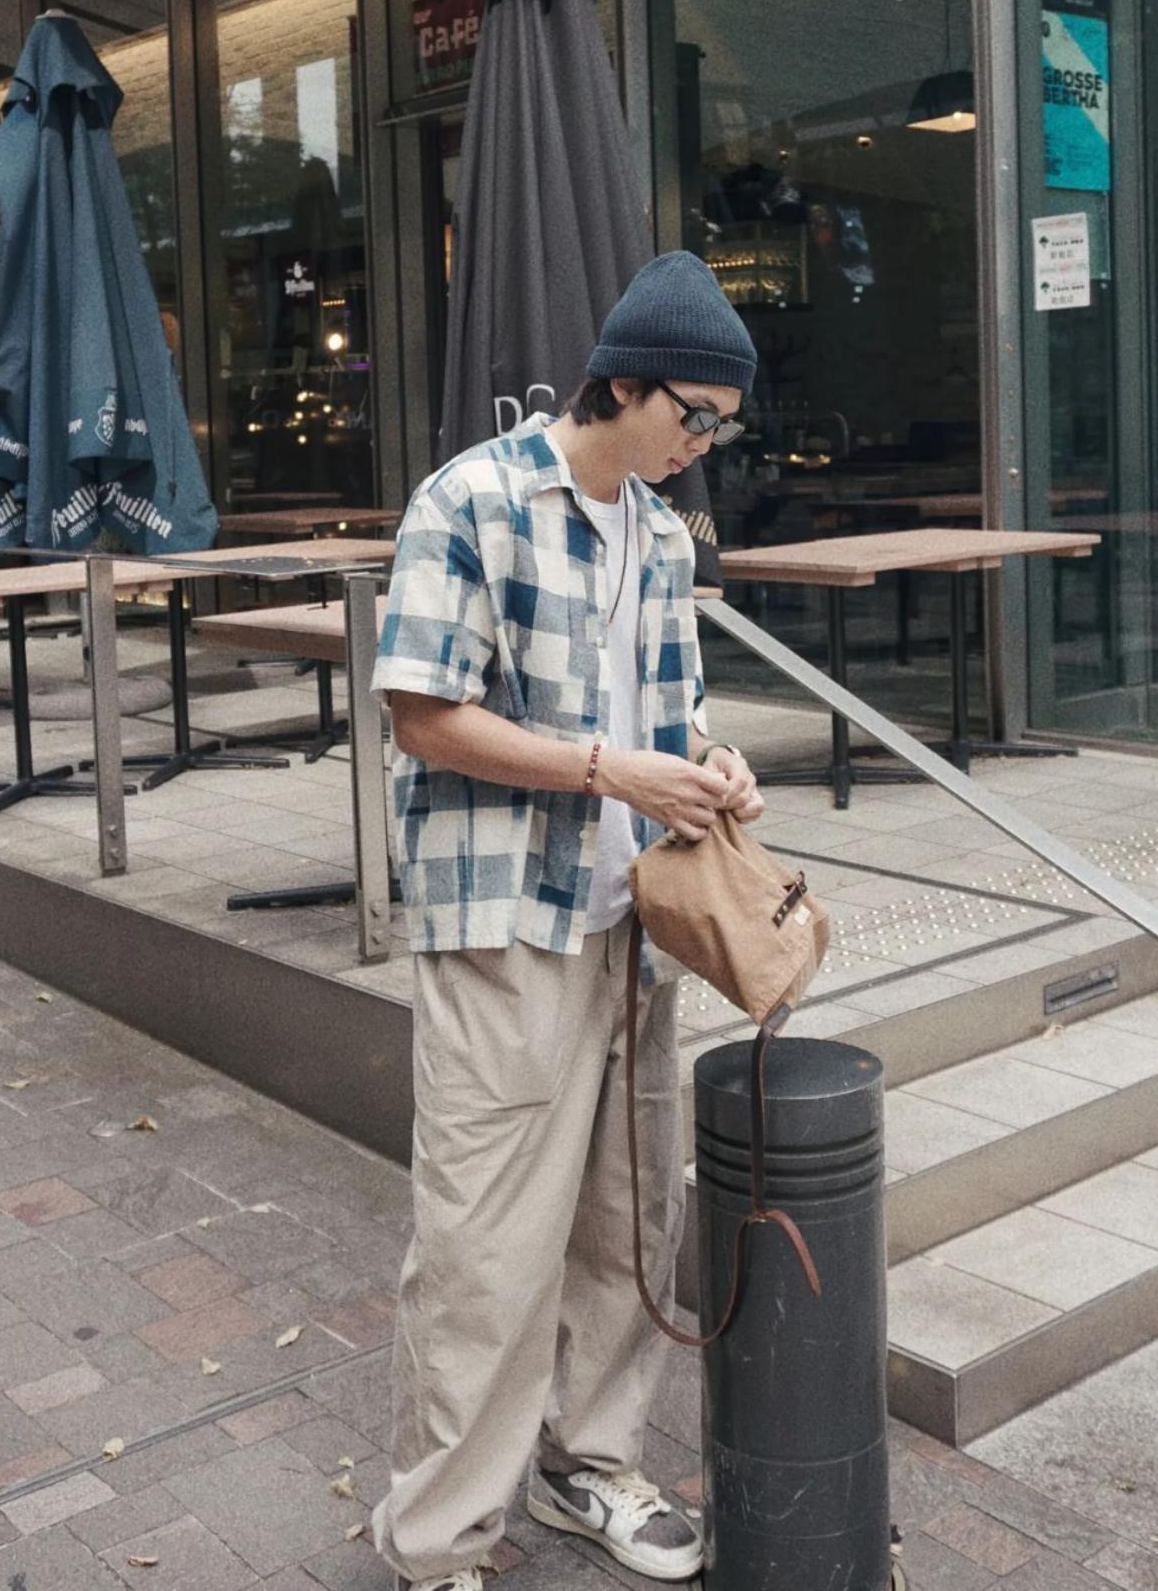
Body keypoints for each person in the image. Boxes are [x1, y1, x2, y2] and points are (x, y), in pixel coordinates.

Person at [370, 250, 765, 1591]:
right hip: (500, 923)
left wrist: (710, 765)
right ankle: (439, 1542)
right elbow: (420, 710)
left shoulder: (660, 535)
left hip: (630, 923)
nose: (704, 446)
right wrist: (609, 770)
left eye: (721, 426)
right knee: (486, 1245)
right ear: (625, 385)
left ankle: (588, 1463)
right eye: (694, 417)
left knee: (626, 1218)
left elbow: (667, 713)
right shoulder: (470, 501)